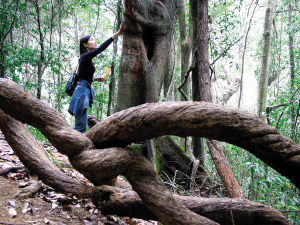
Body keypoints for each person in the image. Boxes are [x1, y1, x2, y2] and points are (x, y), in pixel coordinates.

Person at [68, 29, 123, 133]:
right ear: (85, 44)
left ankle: (68, 146)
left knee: (81, 126)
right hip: (81, 93)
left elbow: (82, 76)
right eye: (92, 40)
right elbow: (101, 48)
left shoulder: (85, 58)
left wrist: (97, 79)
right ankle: (65, 146)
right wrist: (116, 35)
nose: (95, 42)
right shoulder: (85, 57)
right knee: (80, 127)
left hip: (84, 90)